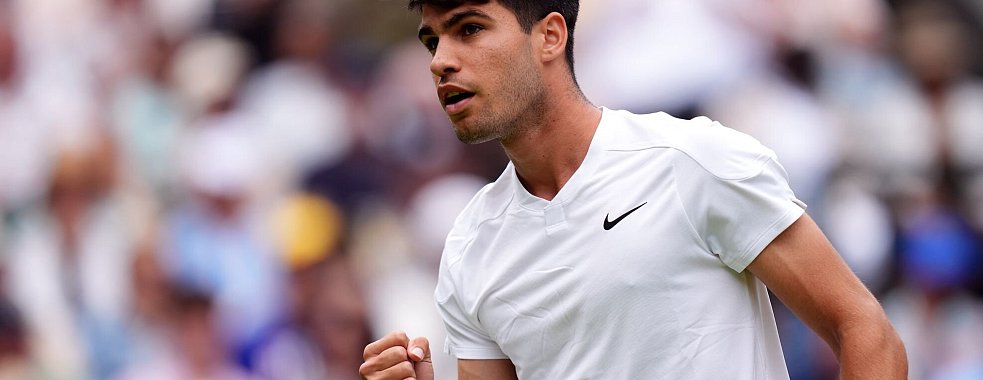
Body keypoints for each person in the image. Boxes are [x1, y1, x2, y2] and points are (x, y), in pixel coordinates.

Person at [360, 0, 908, 379]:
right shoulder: (468, 246)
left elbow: (863, 328)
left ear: (550, 36)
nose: (440, 60)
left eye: (469, 29)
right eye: (432, 40)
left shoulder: (692, 160)